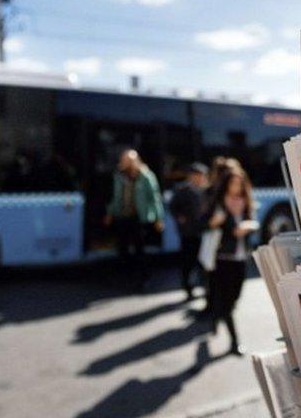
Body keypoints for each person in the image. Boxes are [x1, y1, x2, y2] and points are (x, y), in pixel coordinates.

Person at [202, 165, 258, 356]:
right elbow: (201, 223)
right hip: (222, 257)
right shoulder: (218, 202)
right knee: (227, 302)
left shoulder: (246, 201)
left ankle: (216, 315)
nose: (236, 187)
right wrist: (213, 222)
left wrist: (249, 227)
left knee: (234, 298)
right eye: (233, 183)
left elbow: (253, 221)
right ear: (226, 184)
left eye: (240, 183)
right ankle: (235, 343)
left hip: (241, 257)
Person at [103, 149, 165, 289]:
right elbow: (115, 197)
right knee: (123, 248)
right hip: (123, 216)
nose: (126, 163)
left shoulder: (146, 176)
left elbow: (155, 198)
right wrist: (109, 213)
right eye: (124, 160)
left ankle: (144, 278)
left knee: (140, 249)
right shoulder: (118, 175)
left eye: (128, 160)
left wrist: (159, 218)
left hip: (139, 218)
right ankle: (126, 277)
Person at [169, 162, 210, 301]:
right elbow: (173, 207)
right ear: (192, 176)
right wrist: (180, 218)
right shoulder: (182, 189)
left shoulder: (206, 190)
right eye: (197, 175)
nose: (200, 178)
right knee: (188, 262)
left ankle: (205, 288)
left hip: (203, 231)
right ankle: (187, 288)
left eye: (202, 175)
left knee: (203, 262)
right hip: (188, 232)